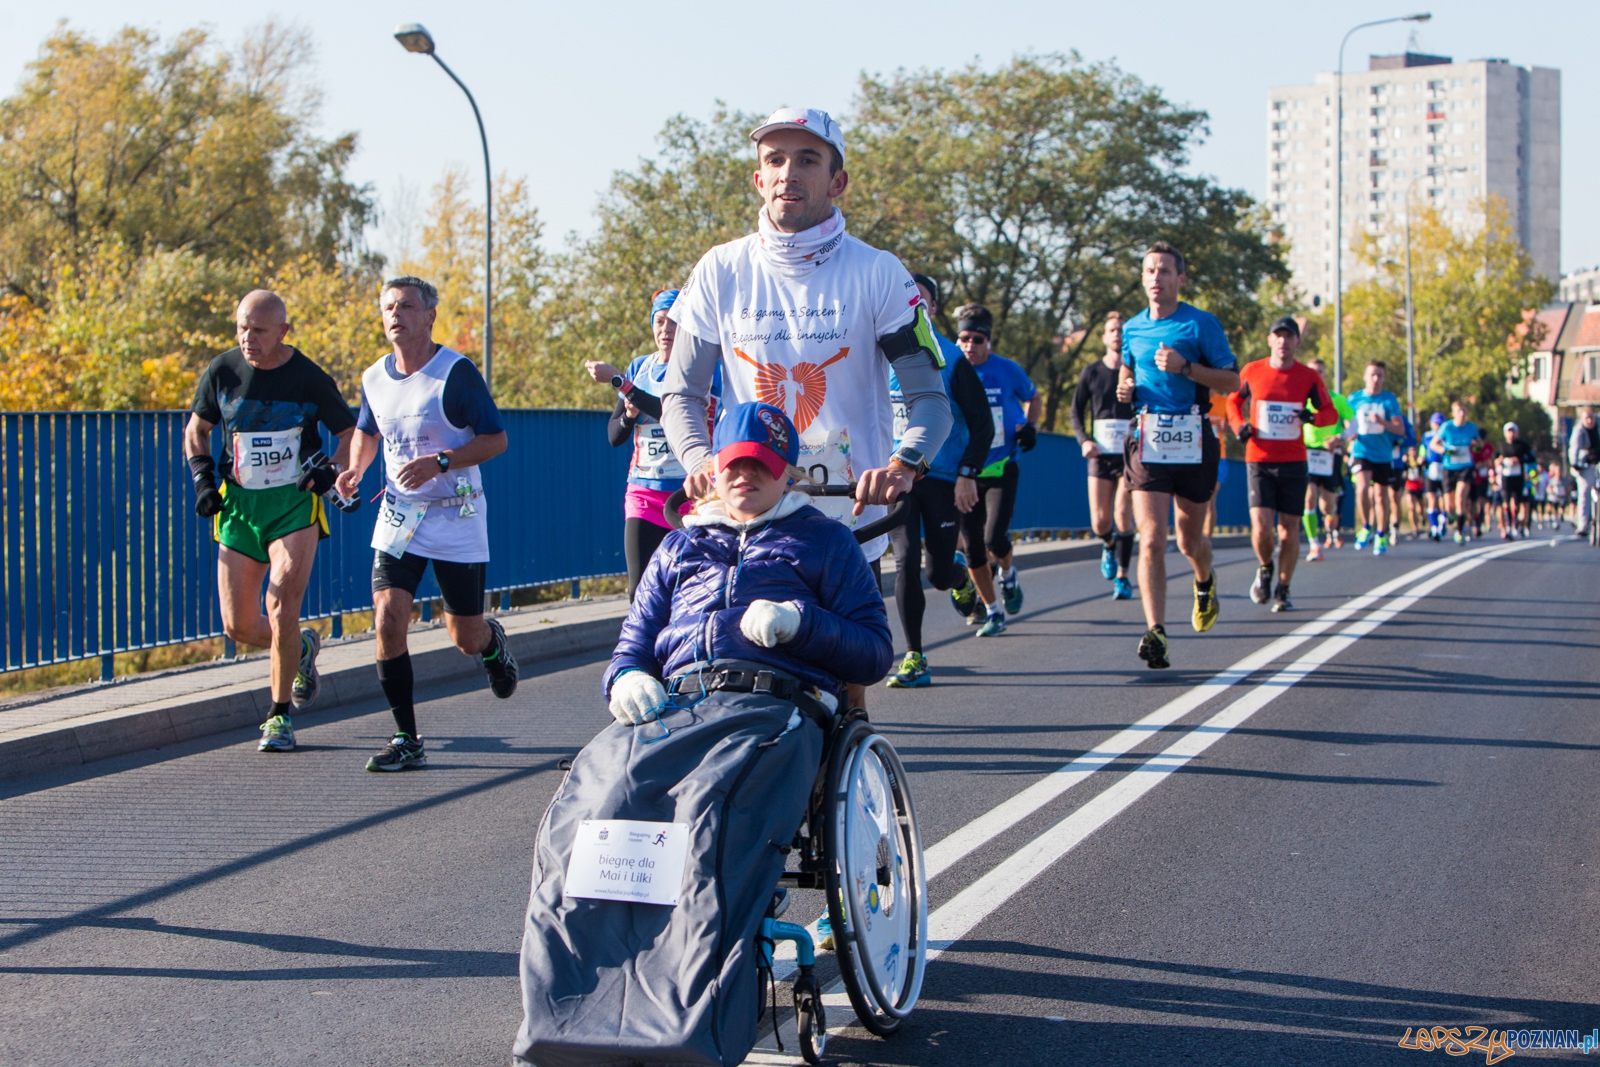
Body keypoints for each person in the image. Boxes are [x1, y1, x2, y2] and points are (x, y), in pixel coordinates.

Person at [514, 401, 891, 1067]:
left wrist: (799, 623)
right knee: (589, 811)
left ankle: (689, 1022)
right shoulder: (680, 544)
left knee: (704, 821)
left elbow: (872, 650)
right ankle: (566, 1018)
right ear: (712, 473)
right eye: (734, 465)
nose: (745, 476)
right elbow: (630, 647)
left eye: (760, 466)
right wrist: (625, 678)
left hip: (772, 709)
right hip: (674, 707)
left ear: (789, 475)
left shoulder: (823, 541)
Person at [658, 107, 952, 707]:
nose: (788, 172)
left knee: (846, 696)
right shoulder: (720, 269)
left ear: (837, 181)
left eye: (808, 159)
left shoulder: (880, 273)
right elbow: (681, 392)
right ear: (758, 179)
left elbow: (928, 398)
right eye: (775, 160)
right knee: (731, 676)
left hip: (846, 516)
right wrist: (696, 456)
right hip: (748, 506)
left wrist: (903, 464)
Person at [334, 276, 517, 773]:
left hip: (456, 512)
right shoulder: (374, 378)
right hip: (399, 513)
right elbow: (369, 433)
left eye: (408, 306)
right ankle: (406, 737)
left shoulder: (454, 373)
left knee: (464, 636)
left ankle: (491, 644)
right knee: (388, 618)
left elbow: (495, 440)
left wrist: (441, 461)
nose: (397, 315)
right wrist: (355, 469)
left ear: (429, 315)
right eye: (389, 307)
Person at [185, 290, 356, 754]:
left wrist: (331, 470)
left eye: (258, 330)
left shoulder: (308, 378)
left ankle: (278, 716)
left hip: (293, 505)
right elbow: (196, 430)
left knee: (281, 606)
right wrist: (203, 479)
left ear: (282, 331)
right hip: (238, 505)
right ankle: (299, 648)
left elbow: (349, 433)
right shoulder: (223, 371)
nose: (247, 338)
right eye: (241, 327)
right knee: (238, 626)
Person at [1115, 242, 1240, 669]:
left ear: (1180, 279)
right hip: (1148, 437)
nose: (1155, 278)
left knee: (1189, 539)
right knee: (1150, 537)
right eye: (1149, 271)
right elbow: (1128, 368)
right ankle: (1157, 632)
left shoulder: (1201, 324)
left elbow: (1231, 381)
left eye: (1165, 271)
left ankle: (1204, 581)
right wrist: (1125, 386)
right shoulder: (1132, 328)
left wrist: (1186, 368)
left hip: (1193, 437)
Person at [885, 273, 993, 686]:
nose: (912, 306)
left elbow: (982, 425)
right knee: (907, 560)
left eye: (921, 301)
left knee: (937, 573)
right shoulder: (878, 354)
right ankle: (914, 656)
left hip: (942, 476)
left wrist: (968, 473)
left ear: (933, 309)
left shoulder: (950, 357)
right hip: (897, 477)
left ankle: (958, 576)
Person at [585, 289, 722, 599]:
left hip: (690, 491)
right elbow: (614, 436)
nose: (666, 330)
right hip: (644, 493)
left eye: (674, 323)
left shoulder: (704, 369)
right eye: (660, 322)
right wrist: (629, 415)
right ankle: (646, 647)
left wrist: (621, 383)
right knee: (640, 592)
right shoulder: (641, 368)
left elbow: (670, 411)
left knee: (689, 588)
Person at [1226, 316, 1335, 612]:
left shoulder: (1308, 377)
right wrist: (1239, 426)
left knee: (1289, 530)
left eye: (1289, 336)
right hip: (1259, 460)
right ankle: (1264, 568)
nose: (1283, 341)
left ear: (1298, 342)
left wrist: (1312, 417)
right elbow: (1232, 402)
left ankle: (1283, 589)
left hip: (1294, 461)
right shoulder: (1253, 370)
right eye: (1278, 336)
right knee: (1262, 528)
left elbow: (1330, 412)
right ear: (1270, 340)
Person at [952, 303, 1042, 637]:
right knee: (972, 547)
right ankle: (992, 612)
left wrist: (1030, 426)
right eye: (964, 339)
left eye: (977, 340)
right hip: (965, 473)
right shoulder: (951, 369)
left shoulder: (1006, 370)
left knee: (994, 538)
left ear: (988, 341)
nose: (970, 346)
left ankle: (1008, 573)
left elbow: (1034, 397)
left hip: (1002, 466)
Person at [1070, 311, 1137, 600]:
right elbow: (1076, 411)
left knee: (1123, 515)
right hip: (1099, 452)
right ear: (1104, 337)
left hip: (1129, 454)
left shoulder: (1135, 372)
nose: (1118, 334)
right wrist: (1084, 440)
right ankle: (1108, 544)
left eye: (1122, 330)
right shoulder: (1092, 372)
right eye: (1112, 330)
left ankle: (1122, 577)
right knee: (1100, 522)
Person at [1344, 361, 1405, 556]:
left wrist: (1382, 422)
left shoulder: (1389, 400)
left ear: (1384, 378)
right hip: (1362, 451)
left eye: (1380, 375)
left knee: (1381, 496)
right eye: (1372, 374)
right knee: (1361, 488)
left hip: (1383, 454)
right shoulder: (1354, 399)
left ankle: (1381, 533)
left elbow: (1400, 429)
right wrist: (1348, 434)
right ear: (1365, 376)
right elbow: (1347, 424)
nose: (1376, 379)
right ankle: (1366, 526)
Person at [1301, 357, 1353, 561]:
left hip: (1330, 456)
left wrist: (1340, 438)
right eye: (1313, 370)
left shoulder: (1336, 399)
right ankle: (1314, 544)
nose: (1317, 375)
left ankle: (1330, 520)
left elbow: (1354, 423)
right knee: (1308, 497)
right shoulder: (1300, 399)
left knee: (1327, 506)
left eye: (1320, 371)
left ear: (1324, 374)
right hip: (1307, 453)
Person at [1428, 399, 1480, 544]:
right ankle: (1449, 514)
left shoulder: (1472, 428)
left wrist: (1477, 446)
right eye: (1459, 411)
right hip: (1449, 467)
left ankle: (1459, 531)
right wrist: (1445, 450)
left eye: (1464, 411)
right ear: (1454, 413)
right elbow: (1433, 444)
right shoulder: (1447, 427)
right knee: (1449, 504)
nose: (1462, 414)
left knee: (1460, 498)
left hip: (1465, 466)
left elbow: (1478, 443)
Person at [1494, 422, 1536, 540]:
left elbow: (1531, 458)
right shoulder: (1501, 445)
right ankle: (1508, 526)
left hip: (1518, 477)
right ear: (1505, 433)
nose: (1511, 434)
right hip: (1506, 477)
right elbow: (1495, 459)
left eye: (1513, 431)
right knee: (1506, 503)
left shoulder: (1522, 445)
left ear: (1517, 432)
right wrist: (1500, 461)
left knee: (1516, 505)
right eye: (1509, 431)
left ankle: (1514, 522)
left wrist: (1519, 460)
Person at [1570, 405, 1600, 536]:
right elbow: (1574, 448)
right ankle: (1583, 525)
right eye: (1587, 418)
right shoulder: (1579, 430)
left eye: (1591, 418)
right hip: (1585, 462)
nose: (1589, 421)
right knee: (1584, 493)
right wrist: (1575, 464)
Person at [1421, 412, 1448, 541]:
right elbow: (1423, 449)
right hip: (1431, 470)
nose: (1437, 426)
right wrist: (1420, 458)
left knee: (1444, 500)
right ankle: (1434, 527)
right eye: (1435, 423)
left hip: (1444, 468)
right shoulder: (1426, 436)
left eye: (1440, 423)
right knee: (1431, 498)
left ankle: (1443, 520)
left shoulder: (1446, 435)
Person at [1402, 446, 1427, 539]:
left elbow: (1424, 470)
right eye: (1411, 451)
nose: (1413, 453)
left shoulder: (1420, 461)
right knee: (1411, 507)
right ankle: (1415, 528)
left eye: (1414, 450)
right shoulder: (1406, 462)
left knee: (1420, 508)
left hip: (1419, 487)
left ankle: (1422, 517)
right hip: (1409, 486)